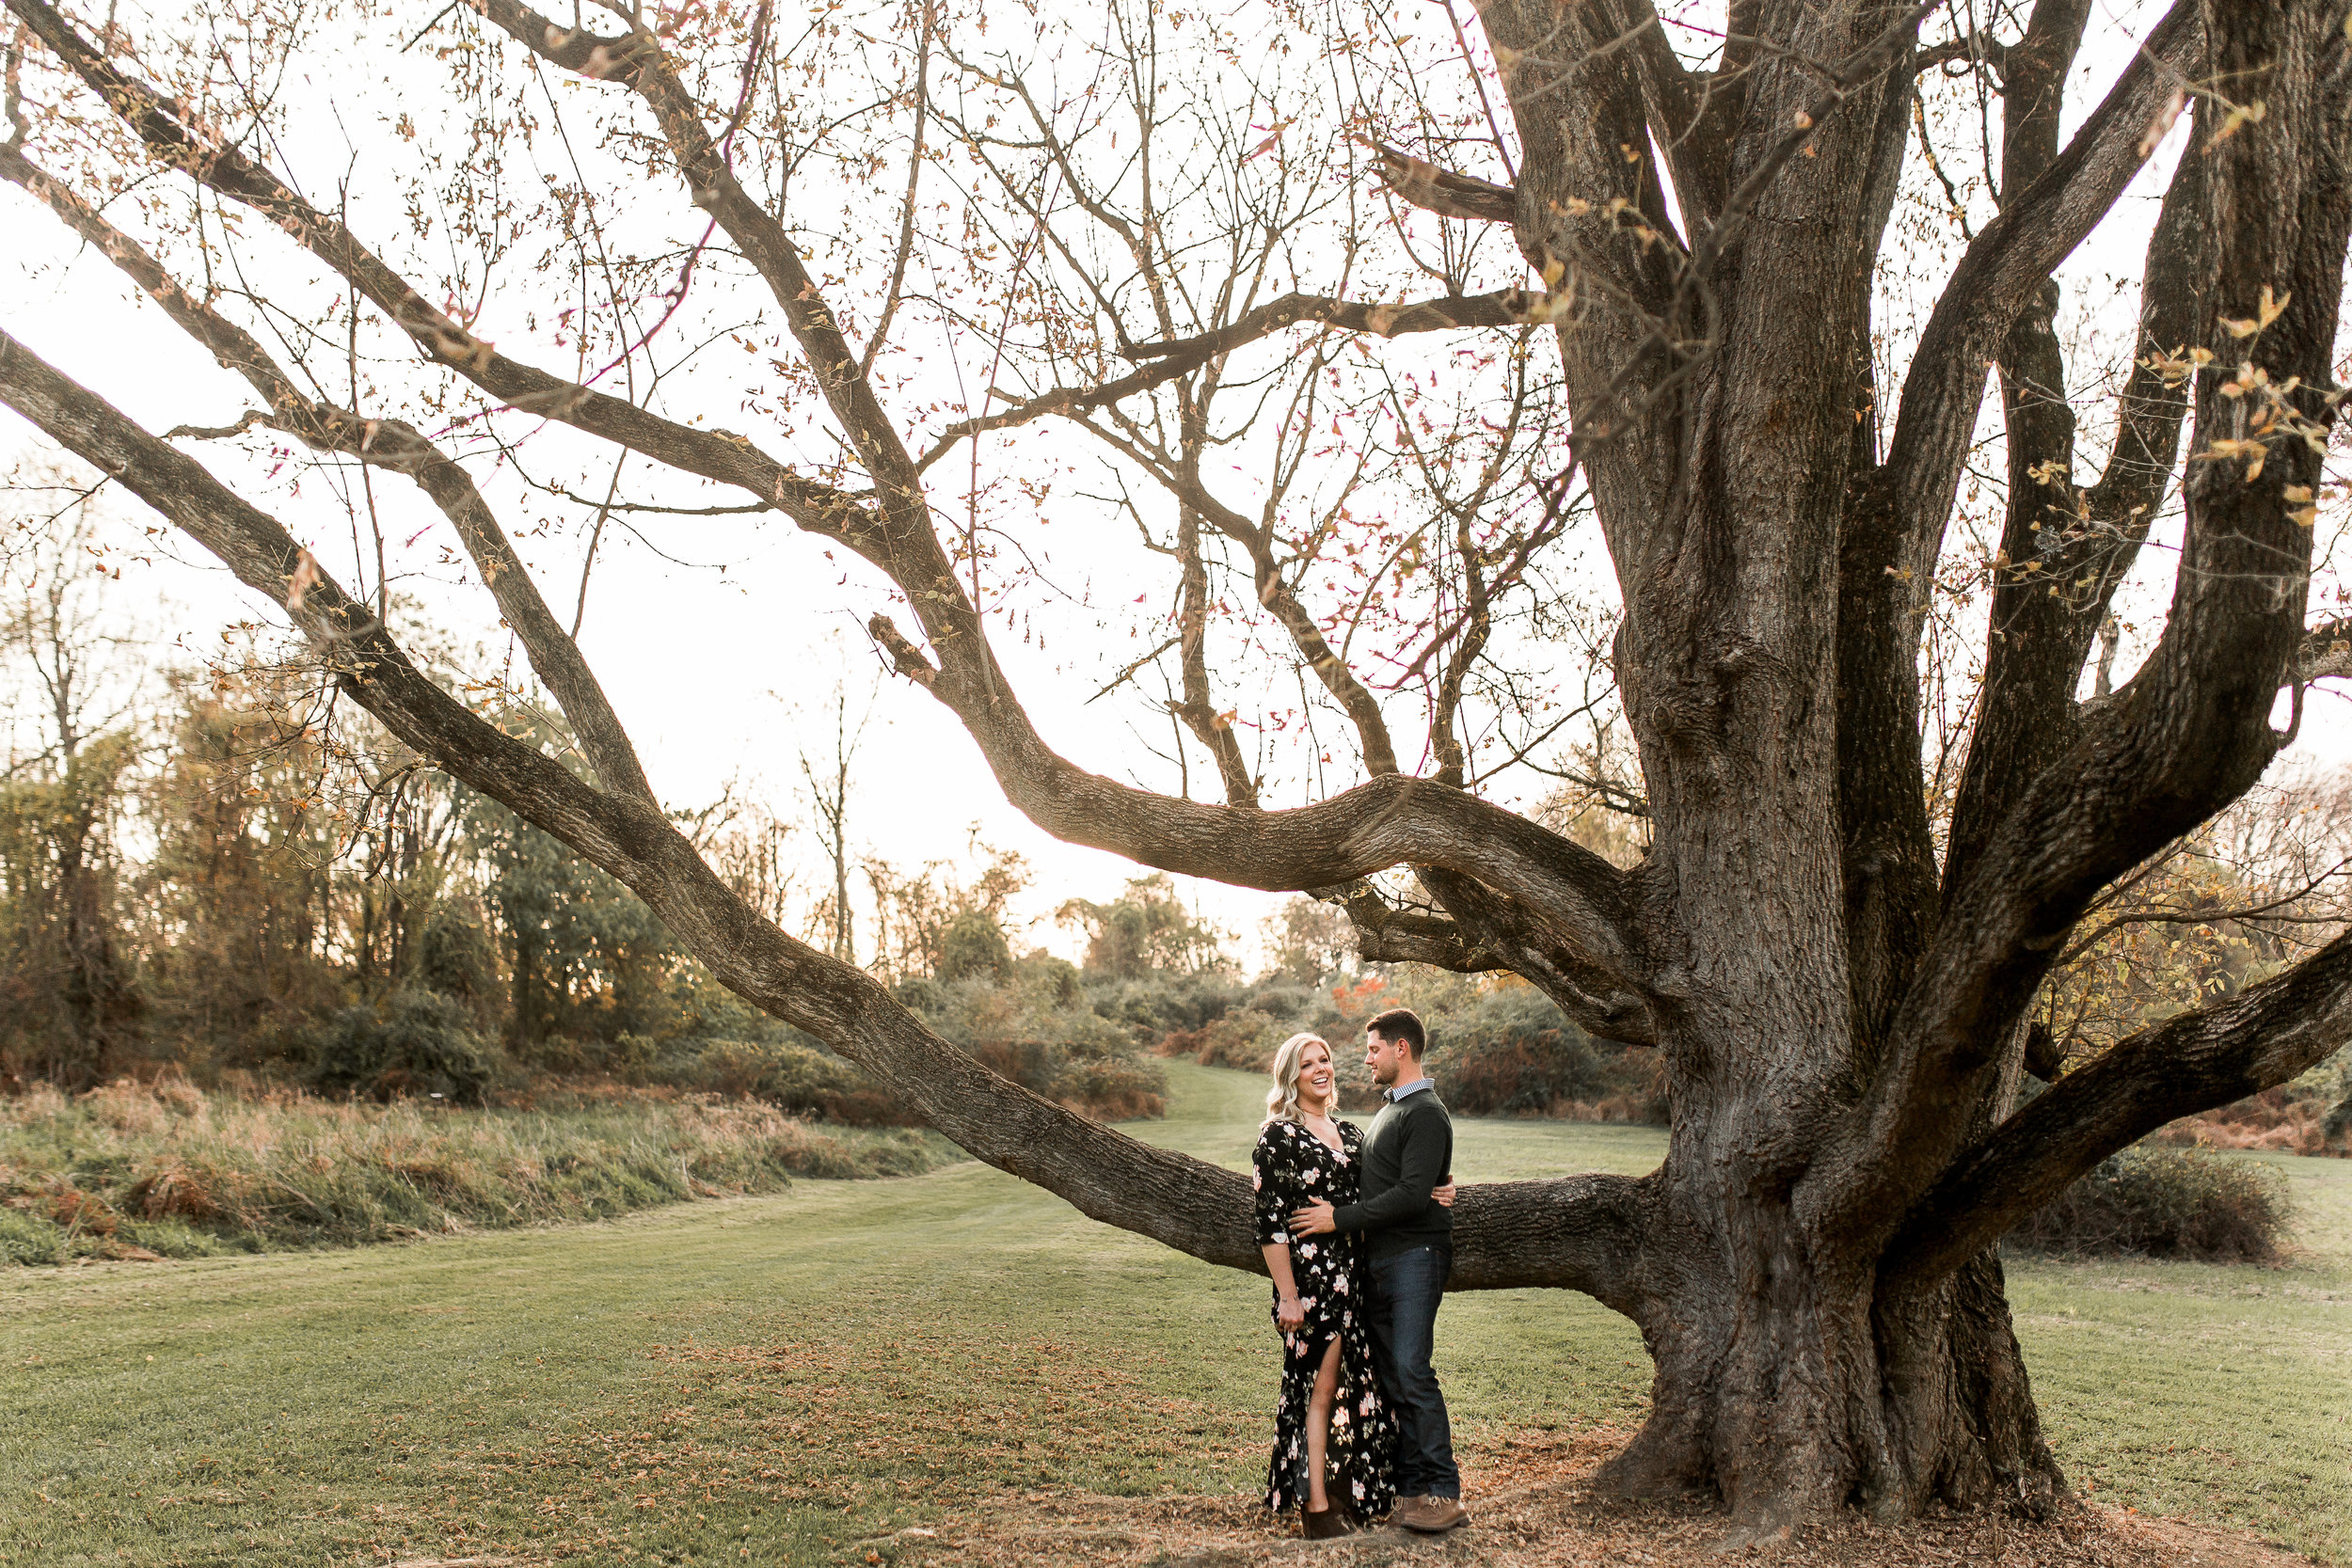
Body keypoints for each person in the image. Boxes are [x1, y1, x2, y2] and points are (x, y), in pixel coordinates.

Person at [1251, 1033, 1455, 1539]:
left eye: (1324, 1060)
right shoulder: (1277, 1136)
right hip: (1314, 1284)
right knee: (1318, 1391)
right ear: (1289, 1077)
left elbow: (1393, 1188)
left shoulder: (1350, 1132)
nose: (1321, 1069)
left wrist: (1439, 1187)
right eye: (1307, 1064)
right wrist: (1289, 1294)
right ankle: (1316, 1510)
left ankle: (1350, 1492)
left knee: (1360, 1389)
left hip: (1357, 1281)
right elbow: (1270, 1225)